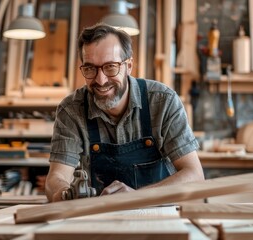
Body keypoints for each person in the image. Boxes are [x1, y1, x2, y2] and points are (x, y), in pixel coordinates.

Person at [45, 23, 204, 202]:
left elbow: (194, 175)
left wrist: (137, 197)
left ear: (128, 66)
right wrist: (65, 195)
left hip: (160, 212)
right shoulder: (71, 110)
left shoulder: (162, 101)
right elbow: (55, 178)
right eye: (90, 68)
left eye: (110, 67)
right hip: (99, 216)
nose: (101, 80)